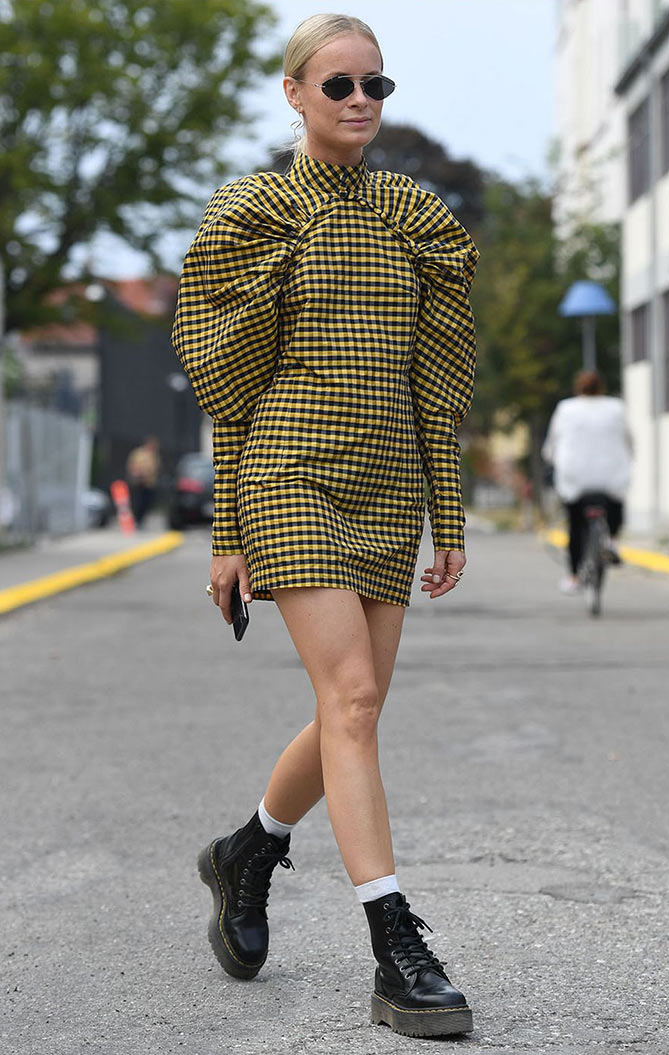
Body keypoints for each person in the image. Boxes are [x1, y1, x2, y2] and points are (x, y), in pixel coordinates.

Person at [171, 13, 479, 1039]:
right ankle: (395, 946)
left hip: (388, 487)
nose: (359, 102)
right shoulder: (254, 212)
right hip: (289, 474)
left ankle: (248, 849)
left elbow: (435, 383)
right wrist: (228, 528)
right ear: (295, 94)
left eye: (375, 87)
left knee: (358, 706)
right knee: (347, 697)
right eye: (339, 85)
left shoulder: (414, 218)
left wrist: (452, 512)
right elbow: (230, 388)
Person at [542, 370, 633, 594]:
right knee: (615, 502)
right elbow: (629, 439)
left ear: (578, 388)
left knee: (576, 525)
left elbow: (552, 445)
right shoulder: (616, 407)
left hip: (575, 476)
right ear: (601, 387)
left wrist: (552, 459)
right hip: (610, 475)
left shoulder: (566, 408)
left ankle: (573, 577)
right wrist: (630, 457)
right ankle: (611, 539)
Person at [125, 435, 160, 528]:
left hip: (149, 483)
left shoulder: (153, 455)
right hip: (138, 482)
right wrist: (137, 473)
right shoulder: (138, 453)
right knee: (138, 501)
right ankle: (137, 519)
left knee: (147, 502)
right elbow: (131, 465)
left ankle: (141, 519)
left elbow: (155, 468)